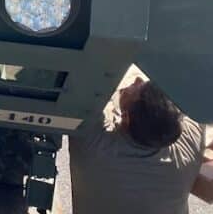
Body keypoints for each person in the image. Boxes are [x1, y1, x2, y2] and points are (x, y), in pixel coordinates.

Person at [69, 75, 204, 214]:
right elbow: (198, 94)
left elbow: (82, 85)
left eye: (138, 89)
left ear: (126, 118)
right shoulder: (188, 149)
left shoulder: (94, 146)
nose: (139, 79)